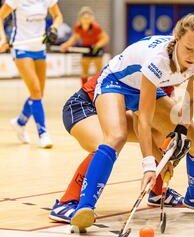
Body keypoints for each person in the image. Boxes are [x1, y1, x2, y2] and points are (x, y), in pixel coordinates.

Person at [69, 13, 194, 232]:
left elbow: (190, 99)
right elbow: (142, 118)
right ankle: (85, 207)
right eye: (189, 48)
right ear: (177, 38)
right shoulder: (159, 60)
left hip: (146, 86)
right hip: (115, 82)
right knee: (116, 136)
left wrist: (181, 131)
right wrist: (149, 166)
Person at [48, 72, 182, 223]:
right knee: (107, 143)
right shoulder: (150, 71)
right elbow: (140, 124)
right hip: (83, 106)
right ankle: (67, 202)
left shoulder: (167, 82)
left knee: (162, 131)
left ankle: (158, 193)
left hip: (111, 111)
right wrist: (154, 161)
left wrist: (163, 161)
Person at [0, 0, 63, 148]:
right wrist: (3, 38)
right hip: (21, 47)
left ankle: (19, 123)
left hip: (39, 48)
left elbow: (58, 16)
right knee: (35, 90)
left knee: (38, 93)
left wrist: (54, 28)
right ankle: (43, 133)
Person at [60, 7, 109, 85]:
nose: (86, 20)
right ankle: (84, 89)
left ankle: (99, 87)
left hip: (96, 48)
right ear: (80, 19)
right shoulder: (78, 27)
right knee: (84, 71)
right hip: (85, 48)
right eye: (84, 18)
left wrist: (97, 46)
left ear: (91, 19)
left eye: (88, 18)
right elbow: (74, 39)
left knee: (99, 71)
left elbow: (105, 38)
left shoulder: (96, 27)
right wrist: (65, 45)